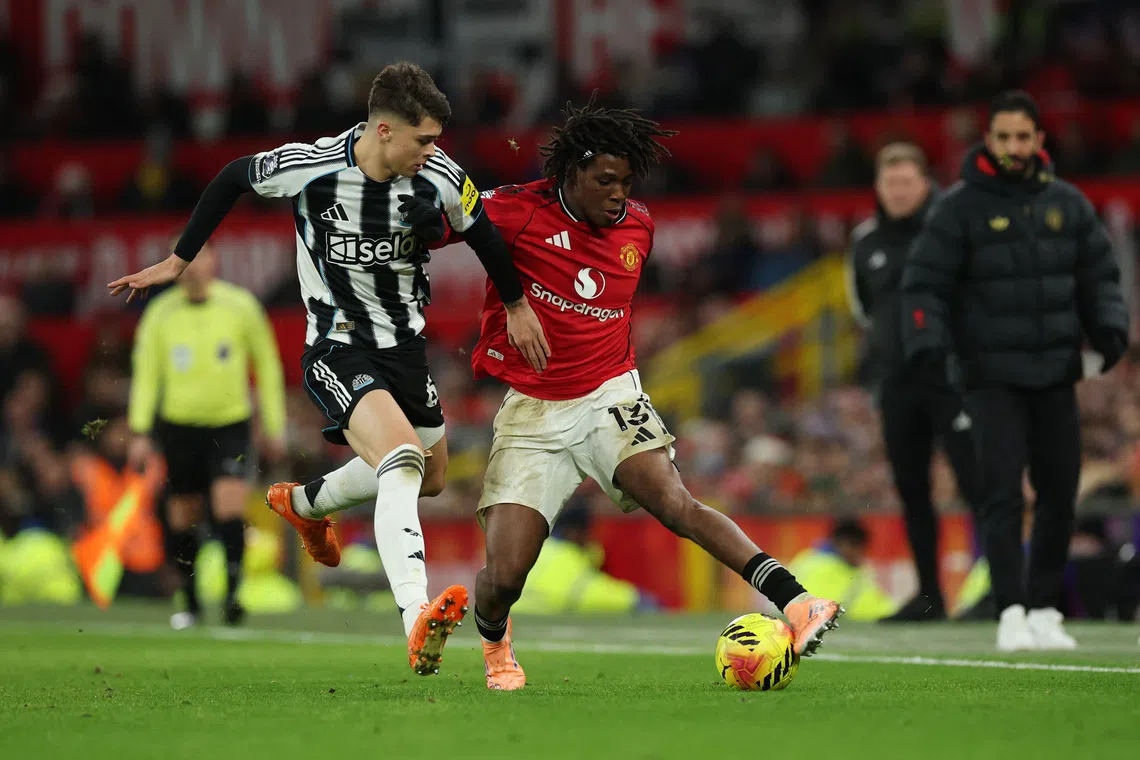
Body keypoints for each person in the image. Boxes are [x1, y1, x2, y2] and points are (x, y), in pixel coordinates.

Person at [109, 62, 549, 674]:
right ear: (386, 129)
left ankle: (308, 503)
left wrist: (517, 304)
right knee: (401, 461)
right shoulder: (313, 165)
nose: (434, 151)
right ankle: (416, 617)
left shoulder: (441, 177)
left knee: (434, 476)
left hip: (404, 348)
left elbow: (483, 236)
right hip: (336, 346)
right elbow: (234, 177)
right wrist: (180, 261)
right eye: (424, 139)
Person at [463, 100, 842, 689]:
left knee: (675, 502)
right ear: (570, 175)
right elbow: (445, 222)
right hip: (534, 411)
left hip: (609, 393)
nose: (618, 194)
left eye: (626, 182)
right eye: (604, 181)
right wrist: (513, 303)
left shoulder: (639, 226)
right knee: (506, 576)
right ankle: (494, 643)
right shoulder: (515, 211)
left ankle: (797, 602)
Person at [901, 90, 1129, 651]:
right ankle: (1010, 611)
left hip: (1055, 370)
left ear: (1038, 141)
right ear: (989, 139)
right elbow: (924, 283)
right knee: (1001, 494)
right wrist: (926, 343)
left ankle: (1046, 609)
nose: (1013, 147)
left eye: (1023, 137)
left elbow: (1099, 279)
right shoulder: (957, 209)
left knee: (1060, 493)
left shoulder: (1069, 205)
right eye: (1003, 137)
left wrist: (1110, 331)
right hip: (989, 374)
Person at [846, 143, 980, 622]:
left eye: (907, 182)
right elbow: (863, 308)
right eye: (890, 183)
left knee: (977, 483)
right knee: (912, 491)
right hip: (898, 384)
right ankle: (929, 597)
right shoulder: (865, 241)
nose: (899, 192)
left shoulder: (953, 229)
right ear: (878, 187)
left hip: (953, 378)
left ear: (925, 183)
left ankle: (1002, 589)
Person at [127, 241, 286, 627]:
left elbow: (267, 366)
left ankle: (233, 596)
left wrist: (273, 425)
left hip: (229, 423)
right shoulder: (160, 314)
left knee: (229, 504)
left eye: (201, 255)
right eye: (186, 257)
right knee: (184, 515)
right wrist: (140, 431)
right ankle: (191, 599)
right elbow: (147, 376)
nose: (195, 265)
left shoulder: (241, 306)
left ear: (216, 259)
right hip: (178, 426)